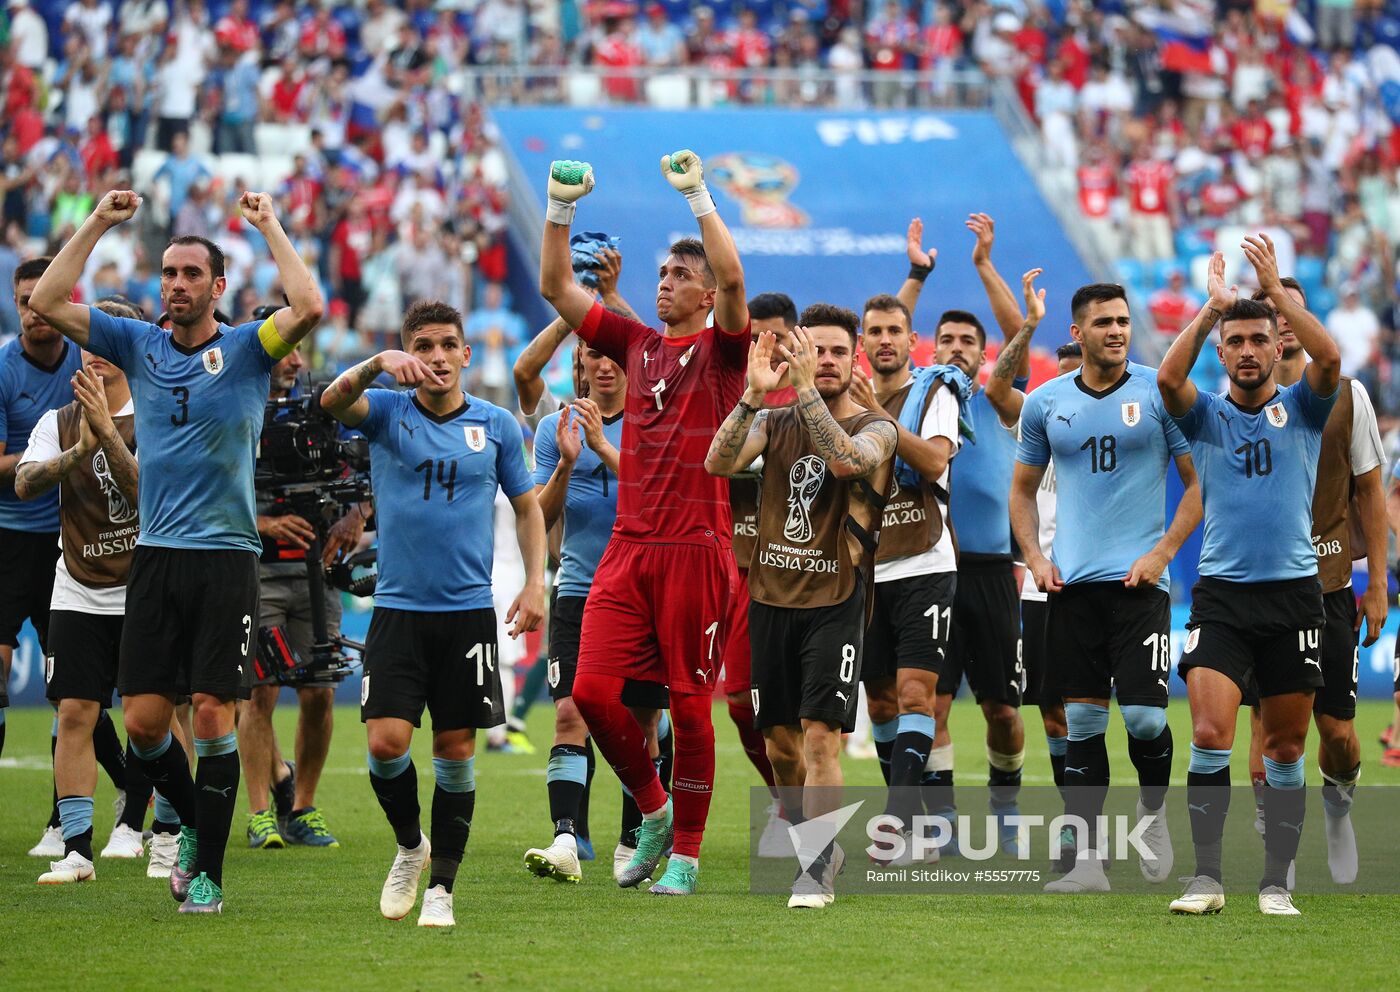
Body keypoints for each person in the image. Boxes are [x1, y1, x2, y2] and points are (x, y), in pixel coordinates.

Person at [29, 188, 326, 915]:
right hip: (155, 557)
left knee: (214, 714)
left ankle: (209, 876)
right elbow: (48, 299)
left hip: (226, 558)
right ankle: (194, 823)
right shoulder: (139, 344)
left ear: (218, 287)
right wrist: (99, 221)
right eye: (168, 273)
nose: (177, 284)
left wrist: (268, 224)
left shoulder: (249, 349)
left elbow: (310, 305)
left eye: (192, 274)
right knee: (142, 725)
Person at [538, 151, 749, 895]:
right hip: (628, 550)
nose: (664, 283)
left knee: (689, 707)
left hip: (695, 547)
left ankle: (685, 854)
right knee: (592, 693)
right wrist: (559, 207)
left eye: (678, 275)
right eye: (660, 274)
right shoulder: (636, 346)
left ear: (704, 295)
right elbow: (556, 286)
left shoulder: (723, 353)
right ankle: (654, 811)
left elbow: (734, 279)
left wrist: (699, 195)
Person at [320, 300, 546, 927]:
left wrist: (535, 583)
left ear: (467, 354)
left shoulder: (496, 425)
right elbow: (333, 401)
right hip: (398, 610)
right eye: (423, 346)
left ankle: (442, 888)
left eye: (448, 345)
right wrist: (377, 363)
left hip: (467, 614)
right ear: (409, 354)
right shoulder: (386, 411)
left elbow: (527, 507)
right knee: (385, 744)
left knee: (454, 749)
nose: (438, 357)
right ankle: (410, 845)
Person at [1157, 240, 1341, 917]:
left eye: (1258, 339)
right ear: (1221, 349)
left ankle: (1275, 882)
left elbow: (1330, 360)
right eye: (1234, 341)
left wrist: (1279, 292)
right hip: (1222, 598)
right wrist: (1211, 309)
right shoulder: (1206, 414)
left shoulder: (1305, 409)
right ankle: (1206, 878)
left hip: (1294, 596)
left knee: (1285, 747)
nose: (1246, 350)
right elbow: (1167, 380)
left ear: (1276, 344)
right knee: (1210, 735)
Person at [1012, 281, 1201, 894]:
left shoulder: (1158, 391)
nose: (1117, 330)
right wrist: (1035, 558)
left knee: (1144, 719)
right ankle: (1089, 865)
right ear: (1077, 332)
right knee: (1084, 726)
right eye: (1103, 322)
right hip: (1072, 588)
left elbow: (1197, 484)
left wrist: (1162, 553)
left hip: (1141, 587)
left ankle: (1152, 813)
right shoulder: (1045, 403)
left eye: (1122, 320)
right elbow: (1022, 491)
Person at [706, 308, 898, 909]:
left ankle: (815, 869)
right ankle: (815, 844)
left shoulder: (879, 426)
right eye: (816, 350)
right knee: (780, 748)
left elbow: (845, 461)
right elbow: (717, 463)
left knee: (820, 739)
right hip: (769, 597)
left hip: (836, 599)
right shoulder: (775, 419)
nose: (827, 361)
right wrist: (751, 397)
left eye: (837, 351)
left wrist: (806, 388)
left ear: (854, 356)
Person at [1240, 278, 1387, 885]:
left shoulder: (1347, 396)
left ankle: (1338, 805)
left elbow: (1371, 491)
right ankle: (1280, 846)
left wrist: (1376, 585)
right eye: (1271, 310)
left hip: (1327, 585)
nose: (1282, 318)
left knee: (1338, 732)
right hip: (1260, 586)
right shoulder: (1240, 397)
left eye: (1291, 308)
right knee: (1267, 726)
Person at [522, 339, 670, 884]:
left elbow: (659, 497)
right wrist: (566, 463)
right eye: (594, 353)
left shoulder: (657, 423)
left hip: (645, 593)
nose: (605, 364)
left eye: (614, 354)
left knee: (642, 722)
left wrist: (604, 446)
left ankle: (633, 840)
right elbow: (538, 515)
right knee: (570, 712)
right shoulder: (554, 427)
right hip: (579, 591)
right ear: (580, 360)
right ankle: (566, 838)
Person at [15, 299, 150, 883]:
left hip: (145, 587)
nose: (93, 351)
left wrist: (108, 438)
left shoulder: (157, 412)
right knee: (74, 711)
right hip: (77, 586)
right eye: (88, 341)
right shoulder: (59, 420)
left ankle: (148, 829)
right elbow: (25, 482)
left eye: (106, 341)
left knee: (151, 718)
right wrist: (79, 450)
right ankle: (76, 849)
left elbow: (147, 494)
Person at [926, 214, 1034, 853]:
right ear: (932, 349)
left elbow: (1019, 334)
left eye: (968, 340)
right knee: (933, 707)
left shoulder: (998, 399)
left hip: (993, 573)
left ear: (984, 352)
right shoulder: (917, 400)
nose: (957, 348)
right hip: (932, 571)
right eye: (947, 340)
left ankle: (1004, 807)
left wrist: (984, 265)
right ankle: (940, 825)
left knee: (1002, 710)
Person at [239, 343, 363, 850]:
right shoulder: (235, 406)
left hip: (318, 570)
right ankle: (258, 814)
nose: (293, 363)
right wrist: (265, 523)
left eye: (297, 353)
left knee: (319, 692)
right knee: (260, 691)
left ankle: (301, 806)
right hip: (258, 570)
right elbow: (211, 490)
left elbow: (365, 467)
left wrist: (357, 515)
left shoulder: (325, 408)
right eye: (282, 353)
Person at [723, 290, 797, 857]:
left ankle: (805, 819)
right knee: (739, 703)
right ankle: (782, 801)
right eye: (757, 339)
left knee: (808, 716)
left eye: (777, 338)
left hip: (802, 573)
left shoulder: (811, 396)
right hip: (737, 570)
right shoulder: (736, 392)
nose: (767, 349)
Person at [0, 257, 84, 761]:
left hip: (71, 539)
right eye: (24, 302)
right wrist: (45, 453)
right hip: (9, 535)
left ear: (64, 298)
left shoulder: (88, 360)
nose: (35, 311)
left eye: (42, 299)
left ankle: (69, 806)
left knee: (72, 685)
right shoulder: (3, 371)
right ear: (15, 306)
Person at [1015, 339, 1081, 871]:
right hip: (1043, 584)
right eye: (1061, 376)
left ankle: (1149, 815)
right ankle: (1077, 824)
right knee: (1053, 712)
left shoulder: (1126, 424)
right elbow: (1001, 389)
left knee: (1131, 716)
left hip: (1107, 584)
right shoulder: (1037, 422)